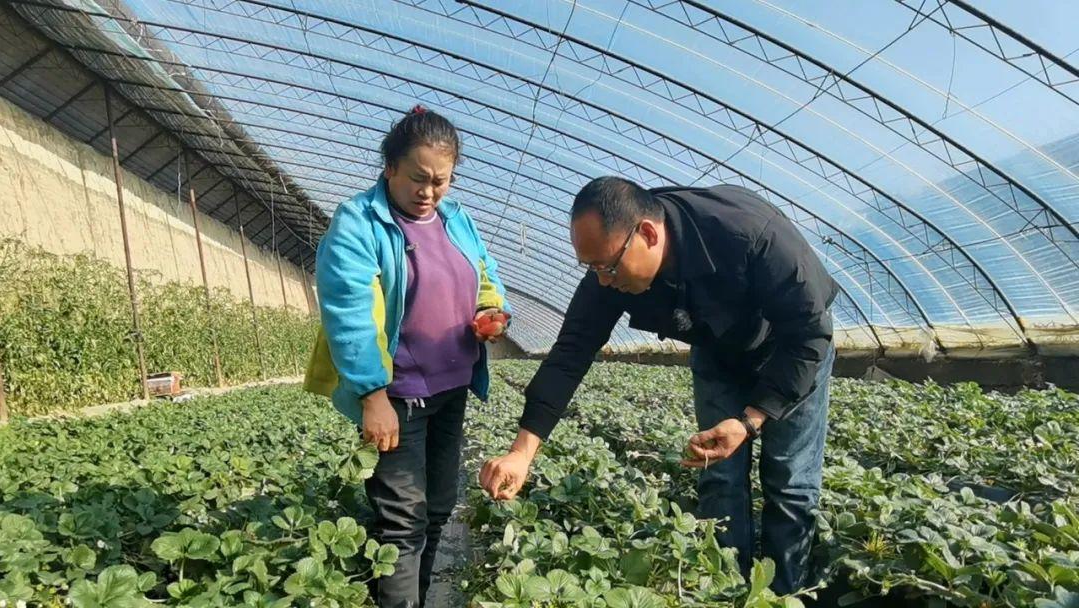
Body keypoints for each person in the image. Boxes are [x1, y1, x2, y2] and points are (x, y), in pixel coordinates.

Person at [479, 176, 838, 594]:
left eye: (607, 267)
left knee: (790, 483)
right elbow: (570, 353)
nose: (603, 280)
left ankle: (783, 596)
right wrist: (522, 452)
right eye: (591, 268)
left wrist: (751, 419)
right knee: (719, 477)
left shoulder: (751, 233)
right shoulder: (608, 271)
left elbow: (810, 332)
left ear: (647, 234)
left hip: (790, 347)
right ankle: (725, 594)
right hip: (719, 353)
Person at [305, 106, 511, 608]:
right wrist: (372, 393)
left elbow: (485, 274)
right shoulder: (360, 222)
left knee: (438, 507)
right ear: (390, 167)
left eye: (441, 181)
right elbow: (348, 310)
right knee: (402, 520)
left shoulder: (456, 220)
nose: (429, 192)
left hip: (451, 387)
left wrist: (492, 309)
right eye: (419, 178)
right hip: (398, 396)